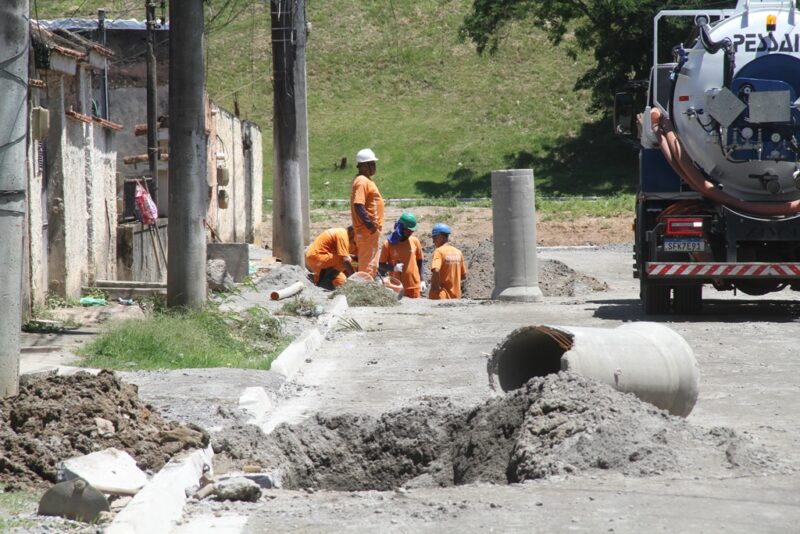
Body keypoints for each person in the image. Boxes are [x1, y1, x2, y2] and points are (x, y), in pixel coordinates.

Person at [350, 148, 385, 278]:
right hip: (367, 231)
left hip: (369, 231)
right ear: (364, 165)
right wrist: (370, 225)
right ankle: (365, 289)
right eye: (372, 164)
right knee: (368, 264)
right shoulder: (362, 181)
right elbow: (358, 204)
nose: (374, 167)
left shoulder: (364, 180)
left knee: (371, 263)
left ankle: (367, 286)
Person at [379, 212, 424, 298]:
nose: (411, 233)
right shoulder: (388, 244)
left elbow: (420, 261)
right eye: (409, 230)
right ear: (402, 228)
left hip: (414, 286)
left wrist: (422, 280)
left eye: (412, 231)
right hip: (397, 287)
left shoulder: (415, 241)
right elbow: (381, 265)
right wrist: (393, 268)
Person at [428, 223, 467, 299]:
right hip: (456, 296)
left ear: (439, 236)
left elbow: (436, 270)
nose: (433, 241)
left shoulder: (439, 251)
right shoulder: (458, 252)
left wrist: (435, 287)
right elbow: (463, 276)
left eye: (434, 238)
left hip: (441, 296)